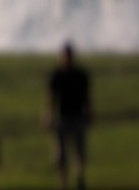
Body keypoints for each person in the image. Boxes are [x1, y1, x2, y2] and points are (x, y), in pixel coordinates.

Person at [47, 41, 92, 190]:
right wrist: (48, 115)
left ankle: (79, 177)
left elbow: (86, 96)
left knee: (78, 151)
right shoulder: (57, 76)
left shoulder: (80, 76)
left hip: (77, 116)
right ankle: (63, 183)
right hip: (62, 117)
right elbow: (51, 98)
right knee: (60, 155)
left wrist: (89, 112)